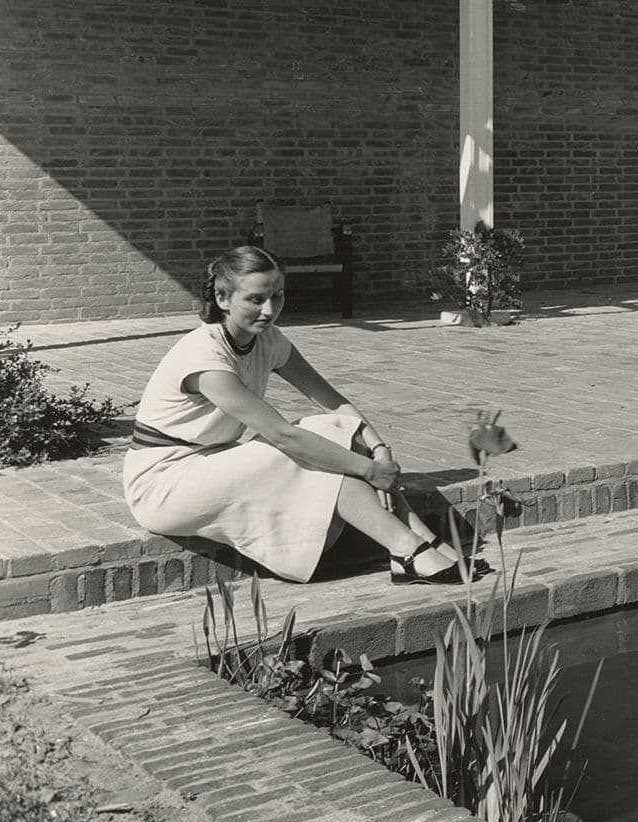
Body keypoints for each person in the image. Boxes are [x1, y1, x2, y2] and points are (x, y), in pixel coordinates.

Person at [124, 246, 481, 585]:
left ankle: (420, 540)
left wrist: (378, 448)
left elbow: (328, 398)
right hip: (163, 483)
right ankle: (405, 548)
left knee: (331, 430)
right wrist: (368, 469)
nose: (268, 310)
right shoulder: (204, 356)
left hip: (209, 461)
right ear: (222, 299)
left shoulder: (266, 339)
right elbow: (283, 435)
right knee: (311, 443)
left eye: (276, 296)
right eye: (255, 299)